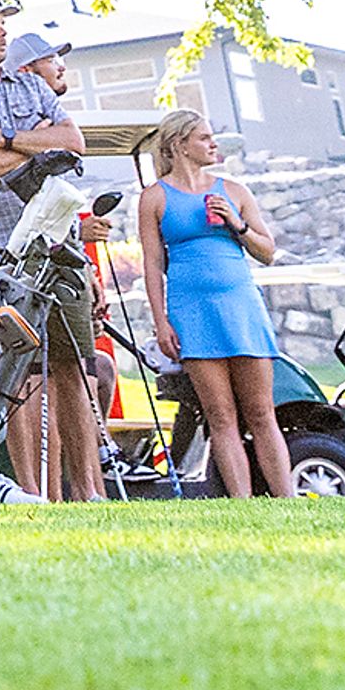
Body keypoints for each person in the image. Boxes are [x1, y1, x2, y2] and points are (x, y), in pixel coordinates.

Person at [0, 0, 98, 501]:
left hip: (60, 245)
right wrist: (34, 145)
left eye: (3, 23)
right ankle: (30, 490)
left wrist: (4, 139)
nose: (2, 31)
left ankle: (89, 491)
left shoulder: (32, 84)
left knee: (74, 366)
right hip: (1, 250)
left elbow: (72, 143)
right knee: (19, 372)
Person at [137, 110, 288, 498]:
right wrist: (161, 322)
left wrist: (236, 225)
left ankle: (287, 498)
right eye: (204, 138)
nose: (213, 144)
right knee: (221, 416)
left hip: (241, 307)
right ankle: (242, 503)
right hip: (191, 311)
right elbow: (153, 266)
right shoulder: (154, 198)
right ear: (179, 144)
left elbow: (268, 252)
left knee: (261, 412)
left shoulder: (233, 191)